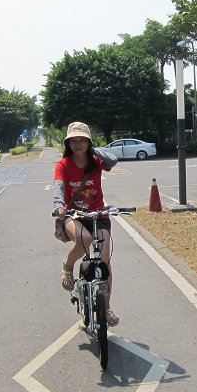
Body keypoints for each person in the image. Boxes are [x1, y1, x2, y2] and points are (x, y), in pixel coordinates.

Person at [52, 122, 120, 325]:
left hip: (98, 215)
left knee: (105, 263)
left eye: (82, 140)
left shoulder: (96, 161)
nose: (78, 144)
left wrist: (94, 149)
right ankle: (67, 266)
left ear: (88, 142)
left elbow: (112, 160)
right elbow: (58, 187)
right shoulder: (63, 164)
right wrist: (59, 206)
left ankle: (106, 308)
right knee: (85, 239)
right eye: (73, 140)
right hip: (74, 215)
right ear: (68, 143)